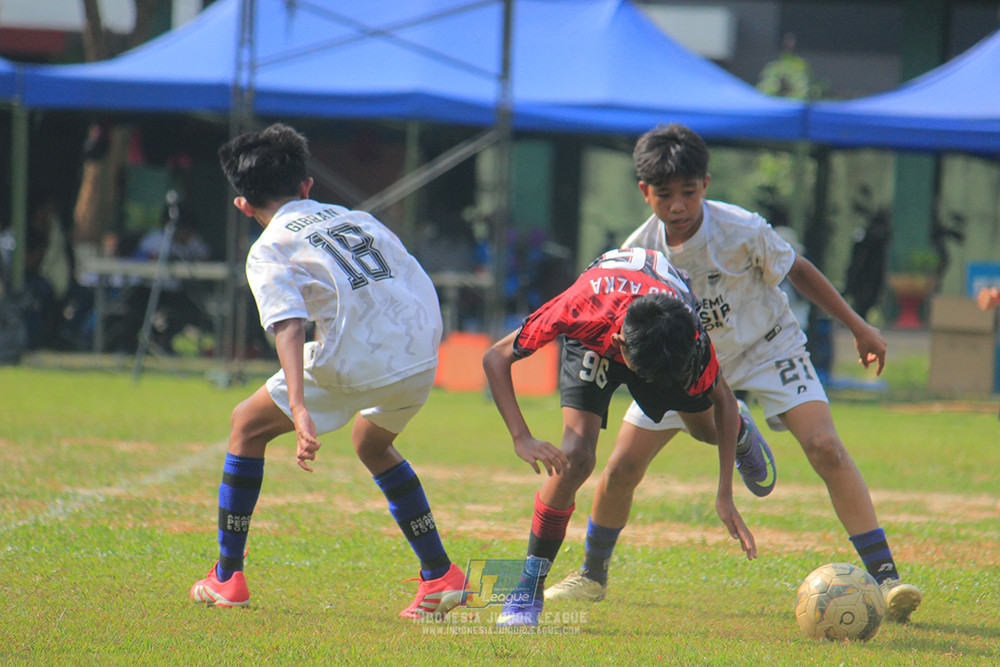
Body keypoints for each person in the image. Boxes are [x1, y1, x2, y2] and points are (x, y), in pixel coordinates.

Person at [544, 123, 922, 624]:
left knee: (825, 448)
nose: (678, 206)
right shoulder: (641, 251)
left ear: (706, 183)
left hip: (768, 347)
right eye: (664, 195)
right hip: (689, 365)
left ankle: (886, 578)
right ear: (644, 193)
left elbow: (798, 270)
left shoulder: (741, 229)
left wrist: (858, 326)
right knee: (621, 470)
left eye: (689, 192)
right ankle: (592, 574)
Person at [189, 123, 467, 619]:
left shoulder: (269, 246)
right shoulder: (356, 217)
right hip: (423, 352)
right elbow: (405, 273)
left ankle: (227, 577)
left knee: (245, 426)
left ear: (243, 206)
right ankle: (440, 575)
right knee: (371, 442)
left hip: (358, 360)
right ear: (307, 185)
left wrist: (298, 406)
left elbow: (289, 324)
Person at [482, 246, 775, 626]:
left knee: (707, 431)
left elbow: (724, 398)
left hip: (653, 327)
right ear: (620, 346)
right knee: (575, 457)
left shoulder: (687, 338)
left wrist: (724, 493)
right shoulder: (578, 307)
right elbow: (496, 357)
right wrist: (521, 437)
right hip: (596, 333)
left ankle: (739, 436)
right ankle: (526, 591)